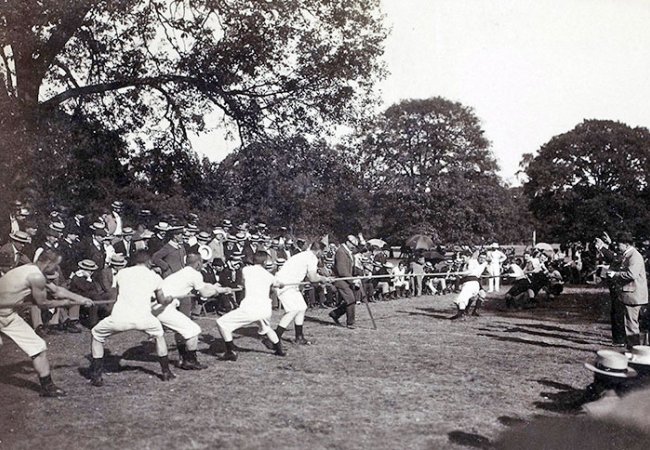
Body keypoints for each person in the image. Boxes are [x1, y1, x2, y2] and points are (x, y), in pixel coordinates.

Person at [0, 250, 93, 397]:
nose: (56, 269)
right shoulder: (36, 276)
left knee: (38, 347)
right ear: (48, 263)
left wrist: (81, 299)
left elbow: (56, 290)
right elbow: (43, 303)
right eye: (55, 266)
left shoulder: (31, 269)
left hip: (8, 315)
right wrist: (64, 303)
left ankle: (47, 387)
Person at [89, 251, 176, 387]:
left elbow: (115, 293)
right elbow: (162, 300)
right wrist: (169, 299)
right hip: (145, 318)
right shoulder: (155, 276)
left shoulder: (121, 273)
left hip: (120, 317)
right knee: (159, 335)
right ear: (148, 262)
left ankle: (97, 376)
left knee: (96, 334)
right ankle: (166, 372)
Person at [154, 253, 232, 370]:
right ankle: (190, 361)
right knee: (193, 330)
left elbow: (205, 286)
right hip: (163, 307)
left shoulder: (182, 273)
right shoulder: (195, 274)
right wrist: (218, 292)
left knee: (181, 330)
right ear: (198, 263)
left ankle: (183, 358)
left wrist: (222, 289)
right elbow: (205, 293)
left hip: (157, 305)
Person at [216, 251, 286, 361]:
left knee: (221, 323)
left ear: (253, 260)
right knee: (267, 328)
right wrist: (281, 284)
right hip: (265, 309)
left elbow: (242, 283)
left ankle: (230, 352)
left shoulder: (246, 270)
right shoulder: (269, 276)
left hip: (250, 308)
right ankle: (279, 350)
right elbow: (278, 284)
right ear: (264, 262)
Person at [263, 241, 331, 347]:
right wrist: (323, 278)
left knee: (302, 307)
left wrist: (321, 278)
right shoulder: (312, 258)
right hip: (284, 284)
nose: (323, 255)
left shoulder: (304, 254)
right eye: (323, 252)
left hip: (291, 285)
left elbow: (310, 275)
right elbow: (313, 278)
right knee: (293, 310)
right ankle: (273, 339)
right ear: (318, 251)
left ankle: (299, 337)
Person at [605, 232, 648, 348]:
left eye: (618, 244)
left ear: (626, 244)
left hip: (633, 295)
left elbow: (631, 274)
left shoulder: (634, 256)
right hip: (629, 294)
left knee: (631, 324)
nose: (617, 246)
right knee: (629, 323)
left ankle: (634, 350)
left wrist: (615, 274)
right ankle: (632, 349)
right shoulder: (627, 255)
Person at [329, 235, 360, 328]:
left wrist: (357, 274)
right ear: (348, 242)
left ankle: (335, 314)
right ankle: (350, 323)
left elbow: (350, 267)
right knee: (350, 299)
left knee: (351, 300)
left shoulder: (348, 252)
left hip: (347, 279)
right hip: (340, 279)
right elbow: (342, 271)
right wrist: (353, 280)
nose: (354, 247)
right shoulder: (341, 252)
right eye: (353, 245)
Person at [450, 251, 488, 320]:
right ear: (478, 257)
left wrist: (459, 273)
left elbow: (469, 272)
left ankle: (461, 314)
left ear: (468, 257)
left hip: (472, 283)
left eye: (464, 257)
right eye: (481, 258)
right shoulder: (471, 262)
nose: (482, 259)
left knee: (460, 300)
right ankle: (463, 312)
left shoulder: (472, 262)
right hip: (472, 283)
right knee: (470, 297)